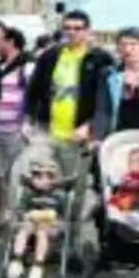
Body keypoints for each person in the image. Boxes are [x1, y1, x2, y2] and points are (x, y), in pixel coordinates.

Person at [25, 9, 114, 180]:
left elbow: (106, 101)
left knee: (72, 185)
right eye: (67, 28)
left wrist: (92, 127)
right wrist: (29, 118)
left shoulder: (100, 59)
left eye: (77, 28)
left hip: (78, 134)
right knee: (42, 182)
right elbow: (33, 89)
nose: (71, 32)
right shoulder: (50, 56)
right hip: (48, 131)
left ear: (88, 31)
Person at [0, 28, 33, 229]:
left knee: (17, 174)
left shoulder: (28, 66)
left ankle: (16, 214)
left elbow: (32, 95)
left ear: (11, 42)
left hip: (17, 128)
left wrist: (27, 124)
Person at [0, 159, 70, 278]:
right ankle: (16, 261)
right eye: (36, 176)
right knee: (24, 230)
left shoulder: (58, 195)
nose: (39, 180)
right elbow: (21, 210)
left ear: (52, 179)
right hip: (30, 220)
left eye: (43, 177)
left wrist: (54, 217)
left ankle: (38, 266)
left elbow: (62, 214)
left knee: (42, 232)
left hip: (49, 224)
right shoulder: (29, 193)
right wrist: (26, 214)